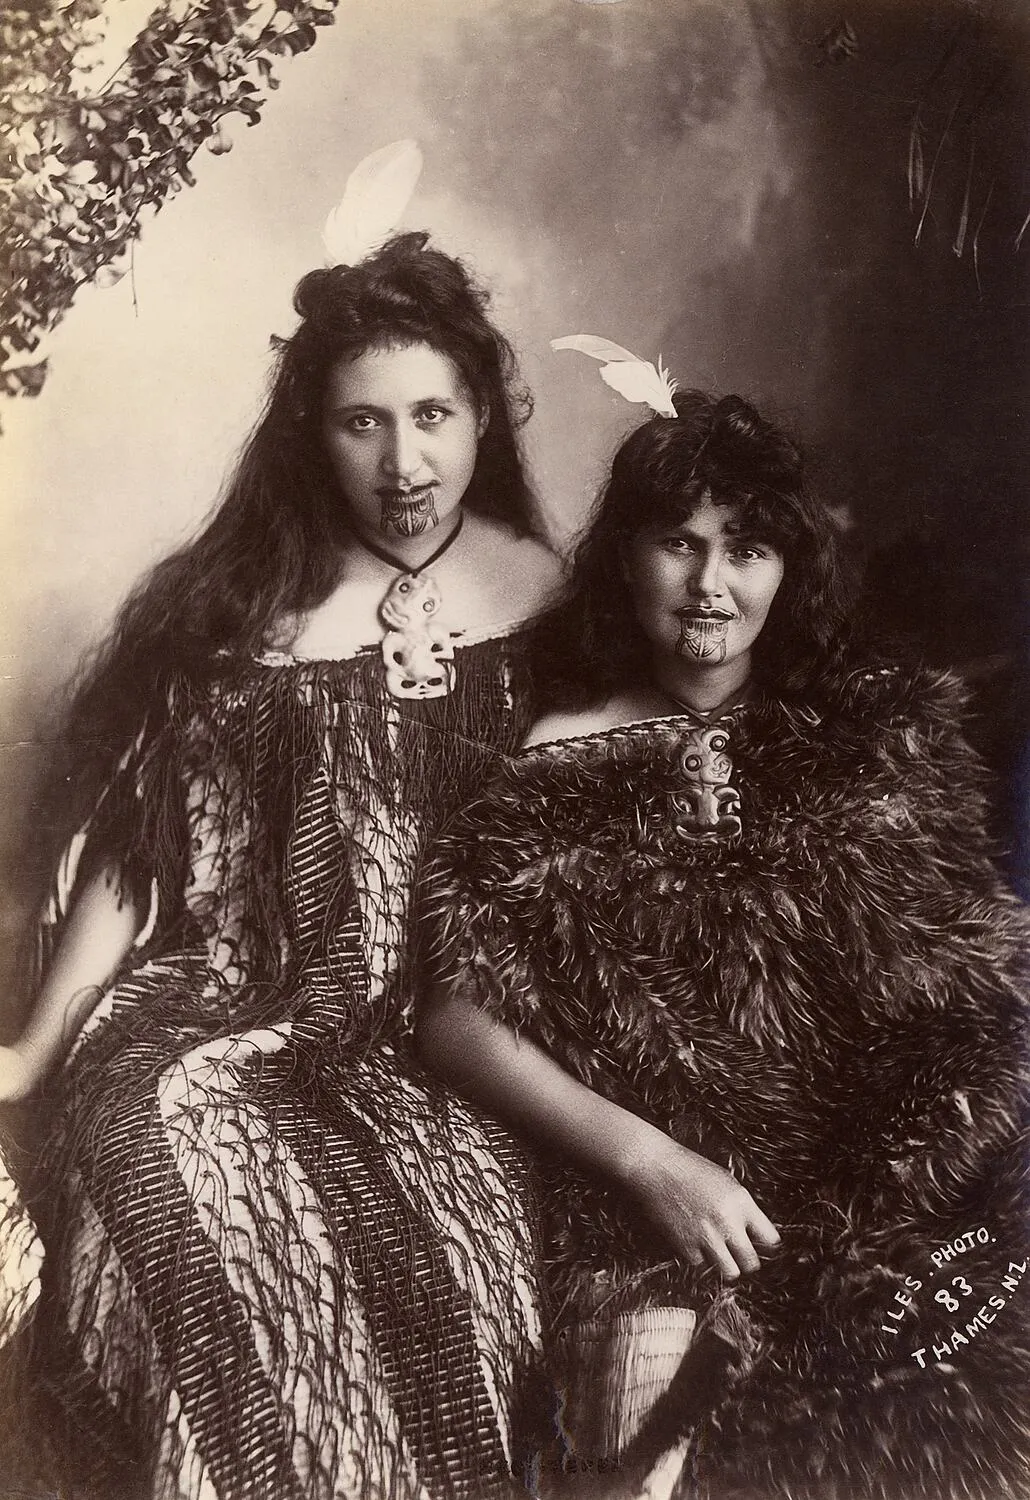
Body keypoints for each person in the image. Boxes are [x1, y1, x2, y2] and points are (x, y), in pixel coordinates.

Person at [0, 226, 563, 1499]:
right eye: (363, 422)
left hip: (468, 1035)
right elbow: (144, 850)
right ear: (314, 431)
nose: (403, 462)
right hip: (232, 1005)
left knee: (458, 1239)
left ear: (483, 416)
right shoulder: (246, 606)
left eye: (432, 415)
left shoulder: (554, 603)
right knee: (188, 1168)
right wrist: (33, 1050)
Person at [419, 388, 1030, 1500]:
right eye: (678, 543)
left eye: (746, 548)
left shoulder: (872, 738)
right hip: (670, 1224)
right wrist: (652, 1164)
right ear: (626, 559)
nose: (711, 583)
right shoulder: (556, 761)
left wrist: (905, 1189)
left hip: (898, 1194)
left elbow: (968, 993)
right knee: (651, 1432)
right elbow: (456, 1019)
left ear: (788, 567)